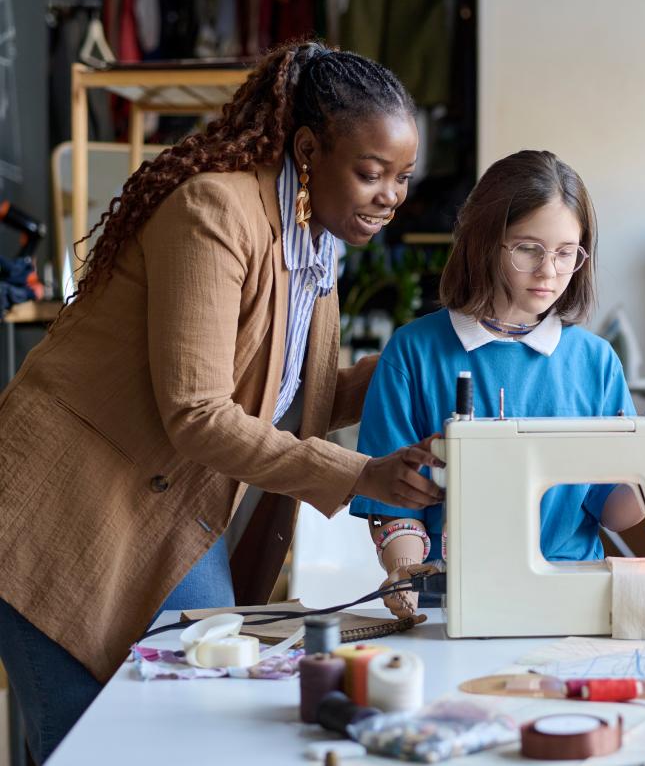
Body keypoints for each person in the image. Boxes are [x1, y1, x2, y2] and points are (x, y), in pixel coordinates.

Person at [0, 41, 440, 763]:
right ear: (307, 148)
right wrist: (360, 474)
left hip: (159, 503)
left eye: (402, 178)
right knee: (89, 743)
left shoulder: (311, 245)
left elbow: (295, 398)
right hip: (57, 502)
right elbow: (200, 411)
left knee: (191, 723)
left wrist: (425, 355)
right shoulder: (214, 211)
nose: (390, 196)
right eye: (370, 173)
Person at [348, 150, 645, 617]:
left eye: (567, 253)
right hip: (447, 598)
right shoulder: (413, 353)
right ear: (485, 242)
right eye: (529, 249)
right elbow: (393, 500)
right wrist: (404, 574)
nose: (549, 270)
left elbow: (612, 509)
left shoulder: (596, 362)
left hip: (575, 598)